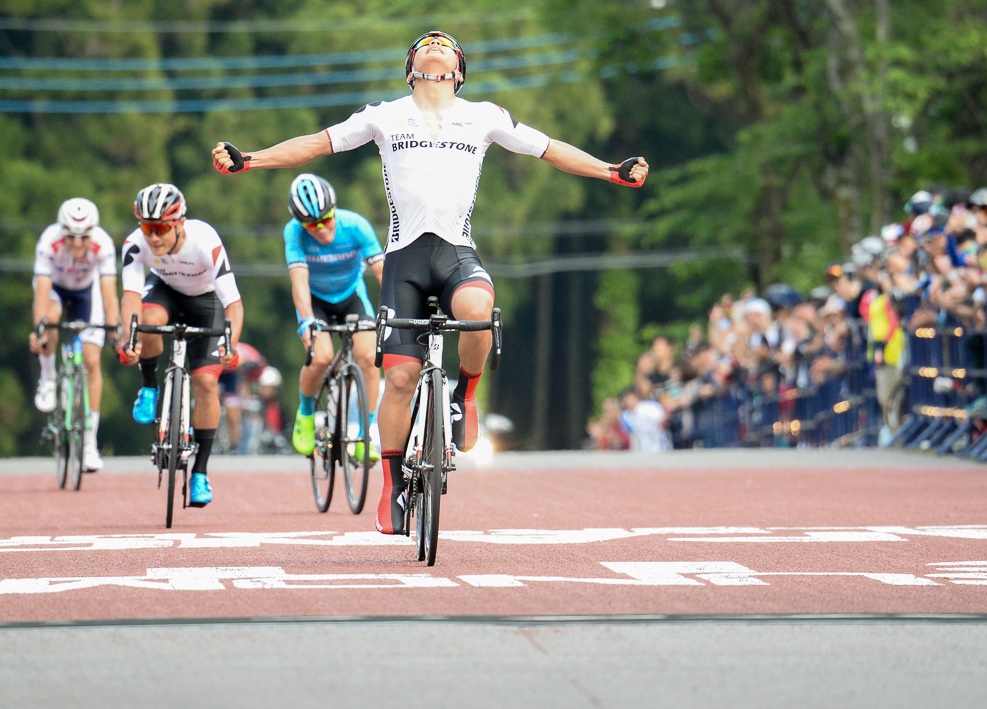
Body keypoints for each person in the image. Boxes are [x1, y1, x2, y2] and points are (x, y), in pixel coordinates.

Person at [212, 29, 648, 535]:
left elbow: (549, 150)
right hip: (404, 263)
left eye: (445, 44)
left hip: (458, 253)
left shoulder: (484, 116)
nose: (436, 44)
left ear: (458, 71)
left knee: (479, 312)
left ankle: (465, 392)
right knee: (397, 377)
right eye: (426, 43)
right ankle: (393, 484)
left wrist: (612, 171)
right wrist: (250, 159)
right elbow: (315, 145)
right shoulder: (384, 114)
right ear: (412, 66)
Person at [117, 183, 244, 507]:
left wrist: (231, 346)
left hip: (206, 301)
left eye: (159, 228)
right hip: (165, 291)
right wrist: (127, 341)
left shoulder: (205, 242)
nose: (153, 237)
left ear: (178, 224)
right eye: (146, 228)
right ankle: (149, 387)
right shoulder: (135, 244)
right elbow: (131, 297)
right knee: (147, 320)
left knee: (204, 382)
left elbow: (234, 304)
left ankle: (200, 472)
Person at [282, 173, 385, 459]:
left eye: (325, 220)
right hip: (316, 302)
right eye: (311, 225)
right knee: (321, 357)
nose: (320, 229)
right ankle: (305, 414)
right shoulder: (294, 232)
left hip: (351, 297)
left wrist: (398, 309)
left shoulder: (356, 226)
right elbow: (299, 282)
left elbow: (382, 273)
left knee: (369, 357)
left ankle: (368, 434)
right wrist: (306, 321)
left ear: (334, 210)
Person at [28, 198, 121, 473]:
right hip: (56, 288)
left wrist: (115, 330)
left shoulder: (103, 244)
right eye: (71, 236)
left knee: (91, 361)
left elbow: (108, 291)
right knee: (51, 320)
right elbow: (42, 292)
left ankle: (90, 443)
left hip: (86, 291)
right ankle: (47, 378)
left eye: (84, 237)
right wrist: (40, 331)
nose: (78, 244)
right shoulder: (49, 241)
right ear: (62, 230)